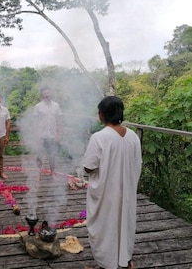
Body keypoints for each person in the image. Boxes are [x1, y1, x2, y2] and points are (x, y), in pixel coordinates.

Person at [82, 96, 142, 269]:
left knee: (106, 228)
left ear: (102, 114)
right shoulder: (132, 136)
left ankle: (106, 264)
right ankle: (124, 260)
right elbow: (137, 163)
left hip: (107, 193)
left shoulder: (99, 137)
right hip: (127, 192)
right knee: (124, 225)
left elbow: (89, 167)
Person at [33, 86, 63, 177]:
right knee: (39, 155)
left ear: (51, 94)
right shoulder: (38, 106)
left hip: (52, 135)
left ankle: (52, 173)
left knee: (52, 155)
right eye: (45, 93)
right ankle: (38, 173)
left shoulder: (56, 106)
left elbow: (59, 121)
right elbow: (34, 122)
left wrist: (59, 134)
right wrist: (35, 135)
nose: (47, 95)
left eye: (48, 93)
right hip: (41, 135)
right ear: (42, 95)